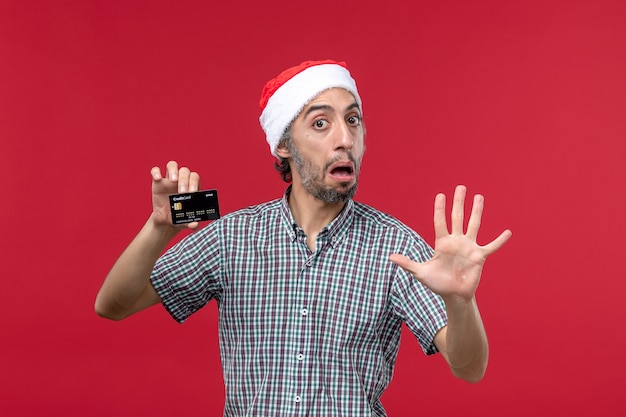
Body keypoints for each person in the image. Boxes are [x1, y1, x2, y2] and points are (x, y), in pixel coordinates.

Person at [95, 60, 512, 416]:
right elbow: (113, 305)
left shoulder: (396, 248)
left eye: (353, 120)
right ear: (283, 145)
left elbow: (469, 366)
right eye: (320, 123)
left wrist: (461, 302)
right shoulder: (233, 238)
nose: (344, 139)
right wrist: (158, 229)